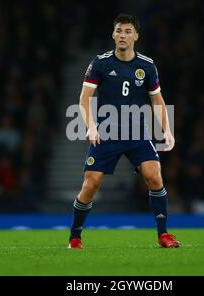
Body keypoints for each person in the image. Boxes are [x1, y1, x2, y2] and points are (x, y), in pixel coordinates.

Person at [68, 14, 180, 248]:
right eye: (119, 30)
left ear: (136, 36)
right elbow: (84, 99)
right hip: (107, 133)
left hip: (138, 133)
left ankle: (164, 235)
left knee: (155, 176)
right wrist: (91, 127)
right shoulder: (100, 63)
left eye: (128, 31)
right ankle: (75, 236)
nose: (123, 35)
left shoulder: (147, 66)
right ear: (113, 35)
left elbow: (157, 101)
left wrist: (167, 131)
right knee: (90, 185)